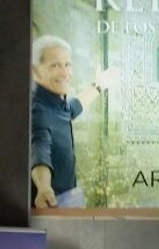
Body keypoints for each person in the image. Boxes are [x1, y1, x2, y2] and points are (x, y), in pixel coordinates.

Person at [30, 35, 118, 209]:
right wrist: (44, 187)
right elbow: (39, 150)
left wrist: (99, 85)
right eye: (55, 65)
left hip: (66, 199)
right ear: (35, 71)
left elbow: (72, 108)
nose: (65, 73)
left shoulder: (54, 101)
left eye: (67, 64)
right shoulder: (36, 111)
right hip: (51, 205)